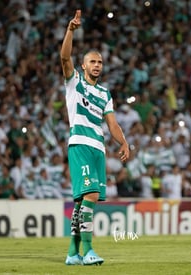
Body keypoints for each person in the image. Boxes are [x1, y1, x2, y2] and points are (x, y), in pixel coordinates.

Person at [60, 10, 130, 266]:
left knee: (81, 203)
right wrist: (71, 31)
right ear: (83, 66)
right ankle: (88, 250)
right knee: (89, 197)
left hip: (98, 149)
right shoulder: (74, 83)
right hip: (79, 145)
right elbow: (64, 56)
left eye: (100, 62)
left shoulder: (104, 93)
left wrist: (123, 142)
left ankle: (72, 253)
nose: (97, 65)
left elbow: (112, 123)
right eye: (92, 62)